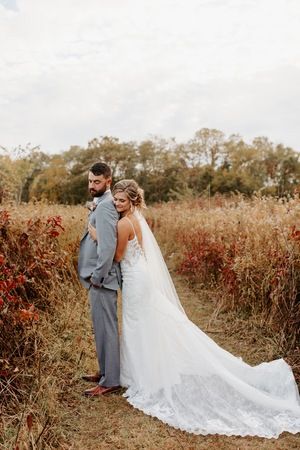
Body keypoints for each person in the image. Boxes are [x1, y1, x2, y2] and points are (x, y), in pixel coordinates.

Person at [89, 179, 300, 438]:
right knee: (144, 323)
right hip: (140, 275)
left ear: (132, 200)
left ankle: (144, 377)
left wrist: (98, 236)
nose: (118, 204)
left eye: (122, 200)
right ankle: (145, 371)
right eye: (116, 200)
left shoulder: (123, 223)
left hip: (135, 278)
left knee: (137, 324)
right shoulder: (136, 217)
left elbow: (118, 256)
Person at [78, 162, 122, 396]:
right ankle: (105, 371)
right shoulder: (101, 203)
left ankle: (110, 380)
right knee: (101, 327)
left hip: (102, 280)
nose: (92, 185)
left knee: (106, 328)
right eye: (90, 181)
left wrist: (98, 277)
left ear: (108, 182)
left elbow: (107, 248)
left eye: (97, 181)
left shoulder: (105, 207)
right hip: (98, 279)